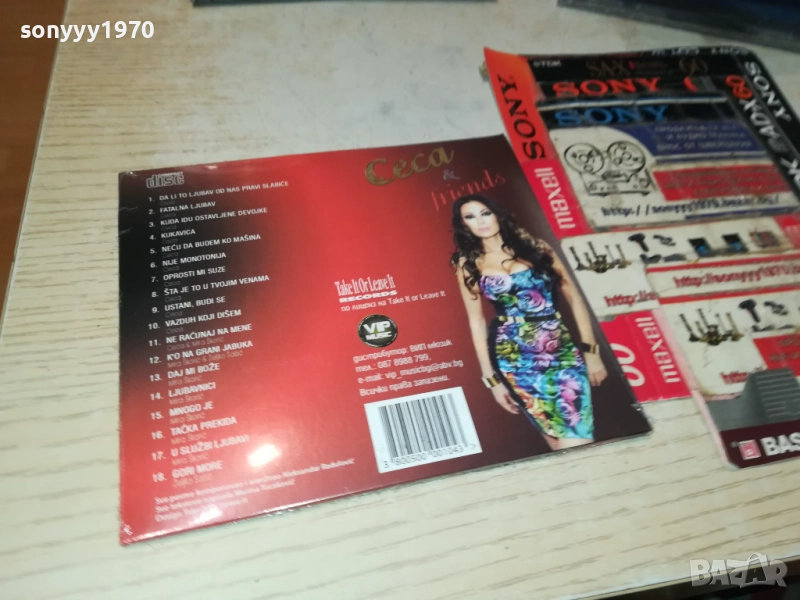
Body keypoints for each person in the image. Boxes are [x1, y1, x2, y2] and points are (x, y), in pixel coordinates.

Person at [451, 194, 607, 450]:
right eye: (470, 217)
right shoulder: (466, 263)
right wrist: (491, 380)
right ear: (463, 224)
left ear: (497, 214)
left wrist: (591, 351)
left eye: (485, 213)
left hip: (560, 351)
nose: (480, 221)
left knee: (576, 435)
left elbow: (574, 298)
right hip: (512, 358)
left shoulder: (536, 247)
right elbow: (476, 323)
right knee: (556, 443)